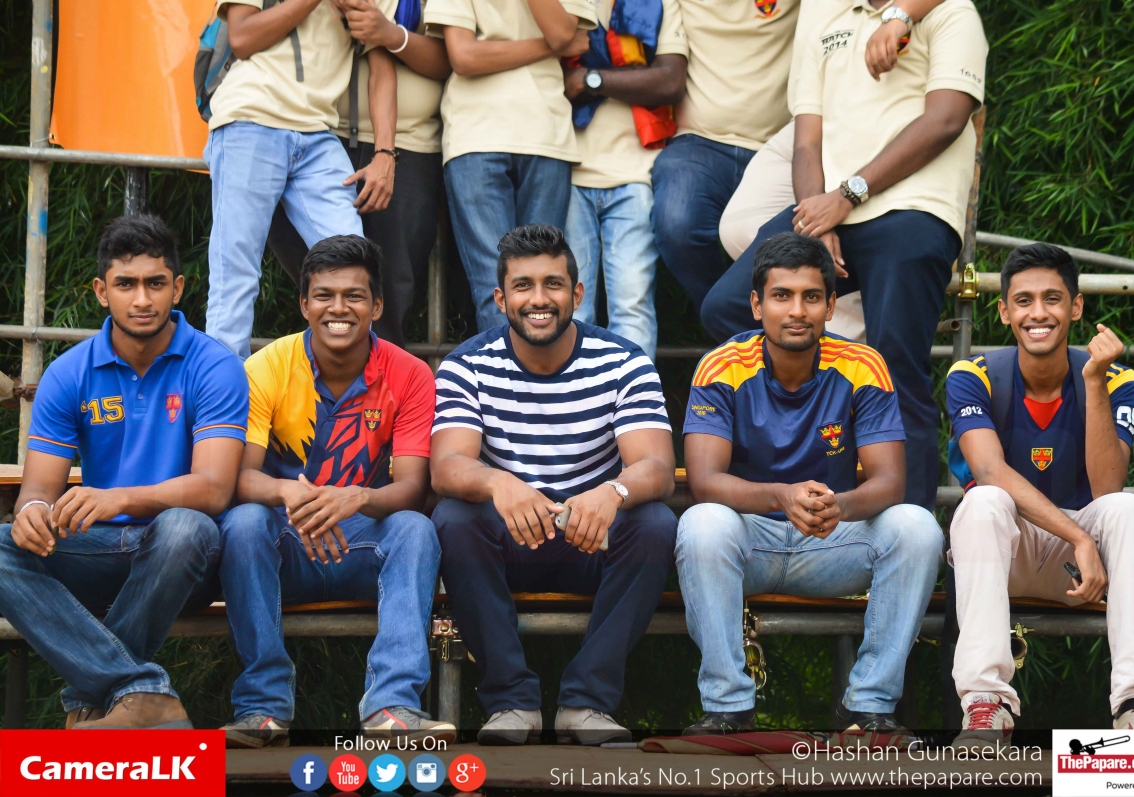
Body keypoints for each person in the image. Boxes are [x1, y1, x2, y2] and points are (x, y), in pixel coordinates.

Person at [700, 0, 987, 513]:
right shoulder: (826, 12)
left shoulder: (952, 11)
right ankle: (789, 481)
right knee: (726, 306)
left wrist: (848, 195)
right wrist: (819, 217)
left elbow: (946, 119)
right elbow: (807, 140)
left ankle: (910, 536)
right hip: (831, 207)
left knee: (896, 369)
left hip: (913, 210)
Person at [676, 232, 943, 735]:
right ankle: (728, 707)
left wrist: (840, 506)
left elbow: (890, 482)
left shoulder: (863, 364)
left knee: (917, 527)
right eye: (781, 296)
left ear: (830, 306)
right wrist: (780, 495)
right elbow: (705, 482)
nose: (797, 311)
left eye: (811, 297)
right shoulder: (721, 365)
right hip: (749, 542)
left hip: (831, 539)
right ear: (757, 305)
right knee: (702, 523)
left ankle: (868, 708)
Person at [430, 224, 677, 746]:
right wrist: (499, 482)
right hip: (510, 537)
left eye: (553, 284)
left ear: (577, 294)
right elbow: (447, 465)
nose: (538, 299)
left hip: (593, 536)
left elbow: (656, 466)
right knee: (453, 518)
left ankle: (587, 703)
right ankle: (511, 703)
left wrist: (612, 492)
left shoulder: (623, 361)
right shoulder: (466, 365)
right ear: (501, 299)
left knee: (655, 523)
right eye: (523, 286)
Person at [0, 215, 249, 729]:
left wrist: (118, 499)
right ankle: (140, 694)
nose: (142, 299)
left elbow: (214, 489)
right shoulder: (69, 372)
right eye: (126, 284)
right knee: (3, 544)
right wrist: (33, 514)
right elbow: (38, 490)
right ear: (101, 291)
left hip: (184, 559)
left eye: (156, 283)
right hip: (95, 550)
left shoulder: (214, 365)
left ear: (177, 288)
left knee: (186, 527)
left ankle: (89, 697)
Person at [219, 235, 450, 748]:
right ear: (304, 304)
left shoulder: (410, 375)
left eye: (354, 296)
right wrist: (293, 496)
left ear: (377, 306)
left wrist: (358, 498)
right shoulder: (266, 367)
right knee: (244, 522)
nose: (338, 308)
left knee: (415, 529)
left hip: (362, 545)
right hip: (285, 542)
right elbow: (242, 479)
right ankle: (262, 708)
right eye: (324, 295)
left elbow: (413, 488)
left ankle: (391, 706)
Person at [946, 244, 1134, 745]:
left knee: (1128, 508)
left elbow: (1107, 488)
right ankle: (987, 706)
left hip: (1080, 568)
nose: (1038, 313)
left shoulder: (1116, 378)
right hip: (1004, 555)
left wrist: (1093, 382)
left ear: (1076, 307)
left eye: (1052, 298)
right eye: (1023, 301)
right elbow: (989, 470)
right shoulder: (972, 375)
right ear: (1004, 311)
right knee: (983, 500)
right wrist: (1080, 538)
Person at [715, 0, 948, 344]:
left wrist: (900, 15)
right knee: (738, 229)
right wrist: (817, 223)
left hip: (883, 113)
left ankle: (851, 330)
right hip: (809, 116)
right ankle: (824, 342)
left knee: (881, 250)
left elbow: (945, 119)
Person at [205, 0, 400, 358]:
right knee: (235, 271)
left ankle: (351, 381)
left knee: (354, 265)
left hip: (319, 131)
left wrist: (385, 152)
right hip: (250, 118)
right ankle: (223, 389)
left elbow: (381, 64)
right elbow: (242, 37)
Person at [265, 0, 453, 347]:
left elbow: (450, 59)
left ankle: (380, 378)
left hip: (408, 143)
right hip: (315, 136)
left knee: (388, 293)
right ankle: (330, 374)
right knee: (325, 282)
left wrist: (391, 35)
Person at [425, 0, 597, 330]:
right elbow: (464, 57)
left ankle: (537, 367)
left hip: (545, 135)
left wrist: (555, 43)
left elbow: (562, 34)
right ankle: (505, 367)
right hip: (476, 136)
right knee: (495, 287)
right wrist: (549, 47)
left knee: (545, 282)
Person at [648, 0, 800, 313]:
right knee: (677, 223)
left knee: (796, 236)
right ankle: (733, 319)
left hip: (781, 144)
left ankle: (764, 319)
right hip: (698, 143)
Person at [562, 0, 688, 360]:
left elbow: (669, 80)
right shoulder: (558, 5)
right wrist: (626, 81)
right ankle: (574, 398)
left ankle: (635, 397)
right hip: (568, 171)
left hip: (636, 172)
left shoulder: (658, 3)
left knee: (632, 305)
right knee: (571, 308)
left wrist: (591, 80)